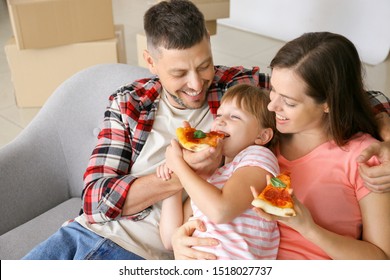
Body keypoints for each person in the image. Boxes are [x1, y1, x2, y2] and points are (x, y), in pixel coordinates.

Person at [22, 0, 390, 260]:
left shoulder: (241, 92)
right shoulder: (128, 104)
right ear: (150, 62)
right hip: (87, 230)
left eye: (205, 65)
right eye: (179, 73)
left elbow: (342, 94)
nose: (197, 84)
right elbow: (95, 200)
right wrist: (180, 175)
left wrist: (387, 138)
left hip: (140, 253)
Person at [172, 32, 390, 260]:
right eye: (273, 90)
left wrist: (308, 228)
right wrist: (181, 239)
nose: (272, 106)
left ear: (328, 103)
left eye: (288, 102)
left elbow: (381, 261)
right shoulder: (257, 140)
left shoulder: (366, 158)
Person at [158, 84, 280, 259]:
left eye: (235, 117)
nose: (220, 121)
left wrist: (179, 165)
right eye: (220, 114)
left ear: (262, 136)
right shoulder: (213, 177)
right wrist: (174, 179)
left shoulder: (259, 156)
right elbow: (170, 239)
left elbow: (221, 211)